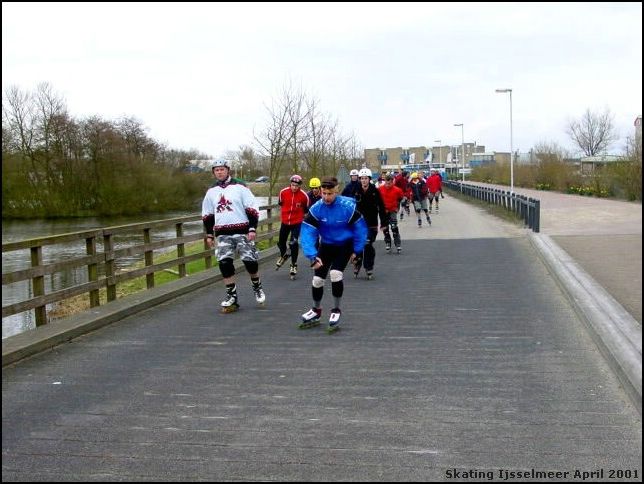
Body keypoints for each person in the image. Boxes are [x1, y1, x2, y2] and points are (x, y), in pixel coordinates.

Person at [300, 176, 368, 332]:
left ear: (336, 191)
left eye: (329, 194)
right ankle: (316, 310)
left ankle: (336, 310)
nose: (326, 197)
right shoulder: (317, 208)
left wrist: (356, 251)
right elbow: (307, 233)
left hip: (345, 245)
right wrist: (312, 255)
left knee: (335, 274)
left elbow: (360, 229)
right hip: (327, 245)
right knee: (317, 280)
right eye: (323, 193)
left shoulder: (347, 207)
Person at [202, 159, 265, 313]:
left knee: (250, 262)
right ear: (213, 172)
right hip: (222, 233)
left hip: (242, 230)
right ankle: (232, 295)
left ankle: (257, 287)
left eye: (222, 169)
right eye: (216, 170)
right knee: (224, 264)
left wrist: (252, 228)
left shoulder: (240, 187)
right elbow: (208, 214)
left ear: (228, 170)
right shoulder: (211, 191)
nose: (219, 172)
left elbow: (252, 207)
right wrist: (209, 234)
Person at [347, 168, 387, 279]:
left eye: (366, 179)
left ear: (369, 179)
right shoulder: (355, 190)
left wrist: (383, 223)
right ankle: (357, 262)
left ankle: (369, 266)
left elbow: (382, 208)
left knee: (367, 243)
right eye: (362, 179)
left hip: (371, 224)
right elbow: (349, 206)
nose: (364, 181)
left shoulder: (375, 191)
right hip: (358, 224)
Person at [276, 174, 310, 278]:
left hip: (296, 222)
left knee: (293, 243)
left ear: (299, 186)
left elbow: (306, 210)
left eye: (296, 186)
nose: (294, 187)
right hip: (285, 221)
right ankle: (284, 255)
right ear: (290, 184)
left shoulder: (304, 196)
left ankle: (294, 264)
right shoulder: (283, 192)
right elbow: (281, 204)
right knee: (281, 241)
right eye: (293, 185)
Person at [377, 174, 405, 254]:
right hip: (384, 211)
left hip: (392, 210)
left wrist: (397, 207)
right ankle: (388, 242)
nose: (388, 185)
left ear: (392, 182)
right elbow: (376, 199)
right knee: (385, 228)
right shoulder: (380, 189)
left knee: (394, 227)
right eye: (386, 183)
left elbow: (401, 198)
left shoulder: (397, 190)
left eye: (389, 183)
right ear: (384, 182)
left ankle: (397, 243)